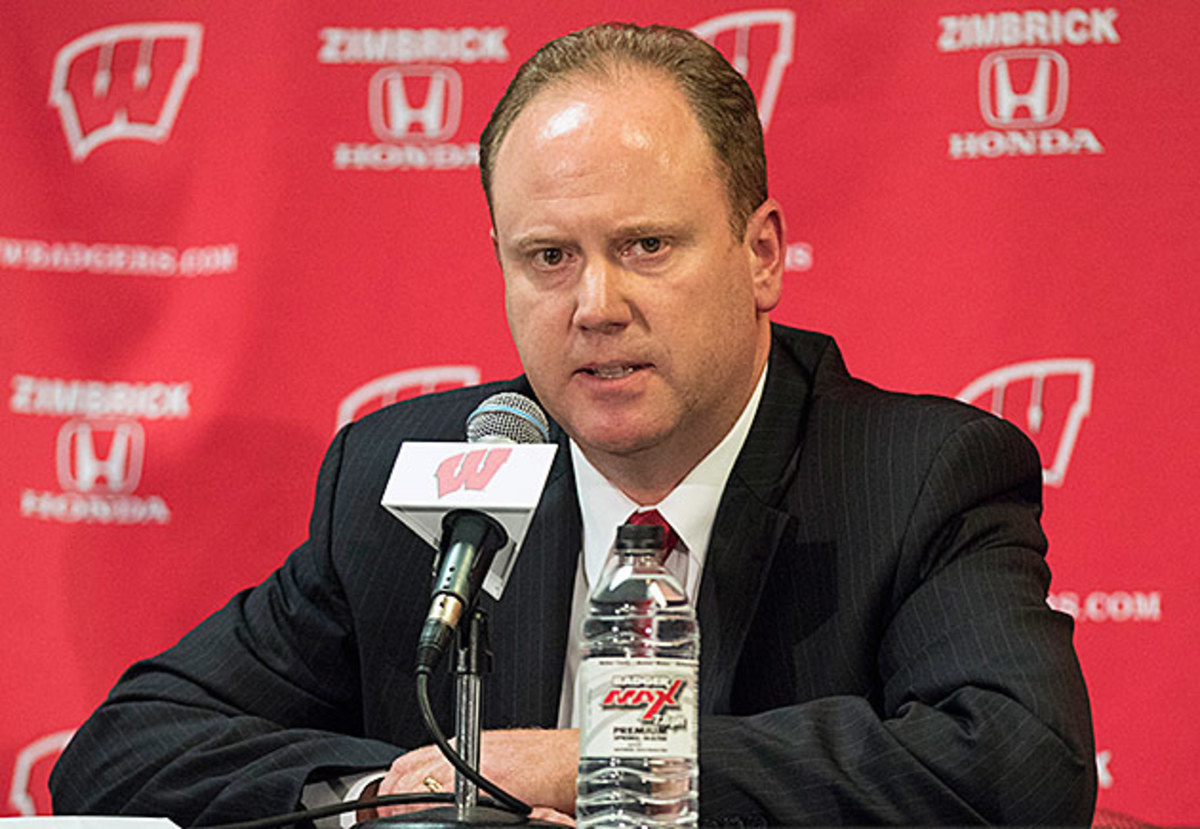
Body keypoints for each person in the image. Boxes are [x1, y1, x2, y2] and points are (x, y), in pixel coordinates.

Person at [50, 23, 1097, 826]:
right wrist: (391, 797)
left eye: (646, 245)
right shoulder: (415, 479)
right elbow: (122, 752)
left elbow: (1021, 764)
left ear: (762, 254)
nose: (595, 305)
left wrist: (590, 764)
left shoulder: (917, 475)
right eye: (549, 257)